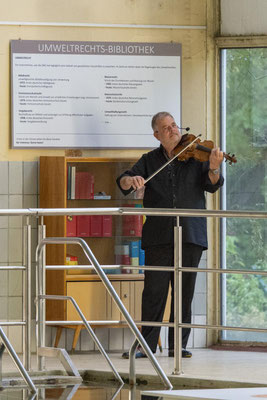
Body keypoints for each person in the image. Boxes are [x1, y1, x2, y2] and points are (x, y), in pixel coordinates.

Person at [116, 112, 224, 359]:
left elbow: (212, 184)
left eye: (174, 125)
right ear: (156, 135)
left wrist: (215, 168)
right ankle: (147, 345)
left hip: (191, 233)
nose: (173, 130)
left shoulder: (198, 156)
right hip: (159, 235)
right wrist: (130, 180)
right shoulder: (149, 159)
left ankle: (178, 346)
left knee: (184, 292)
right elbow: (122, 181)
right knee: (154, 291)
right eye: (166, 128)